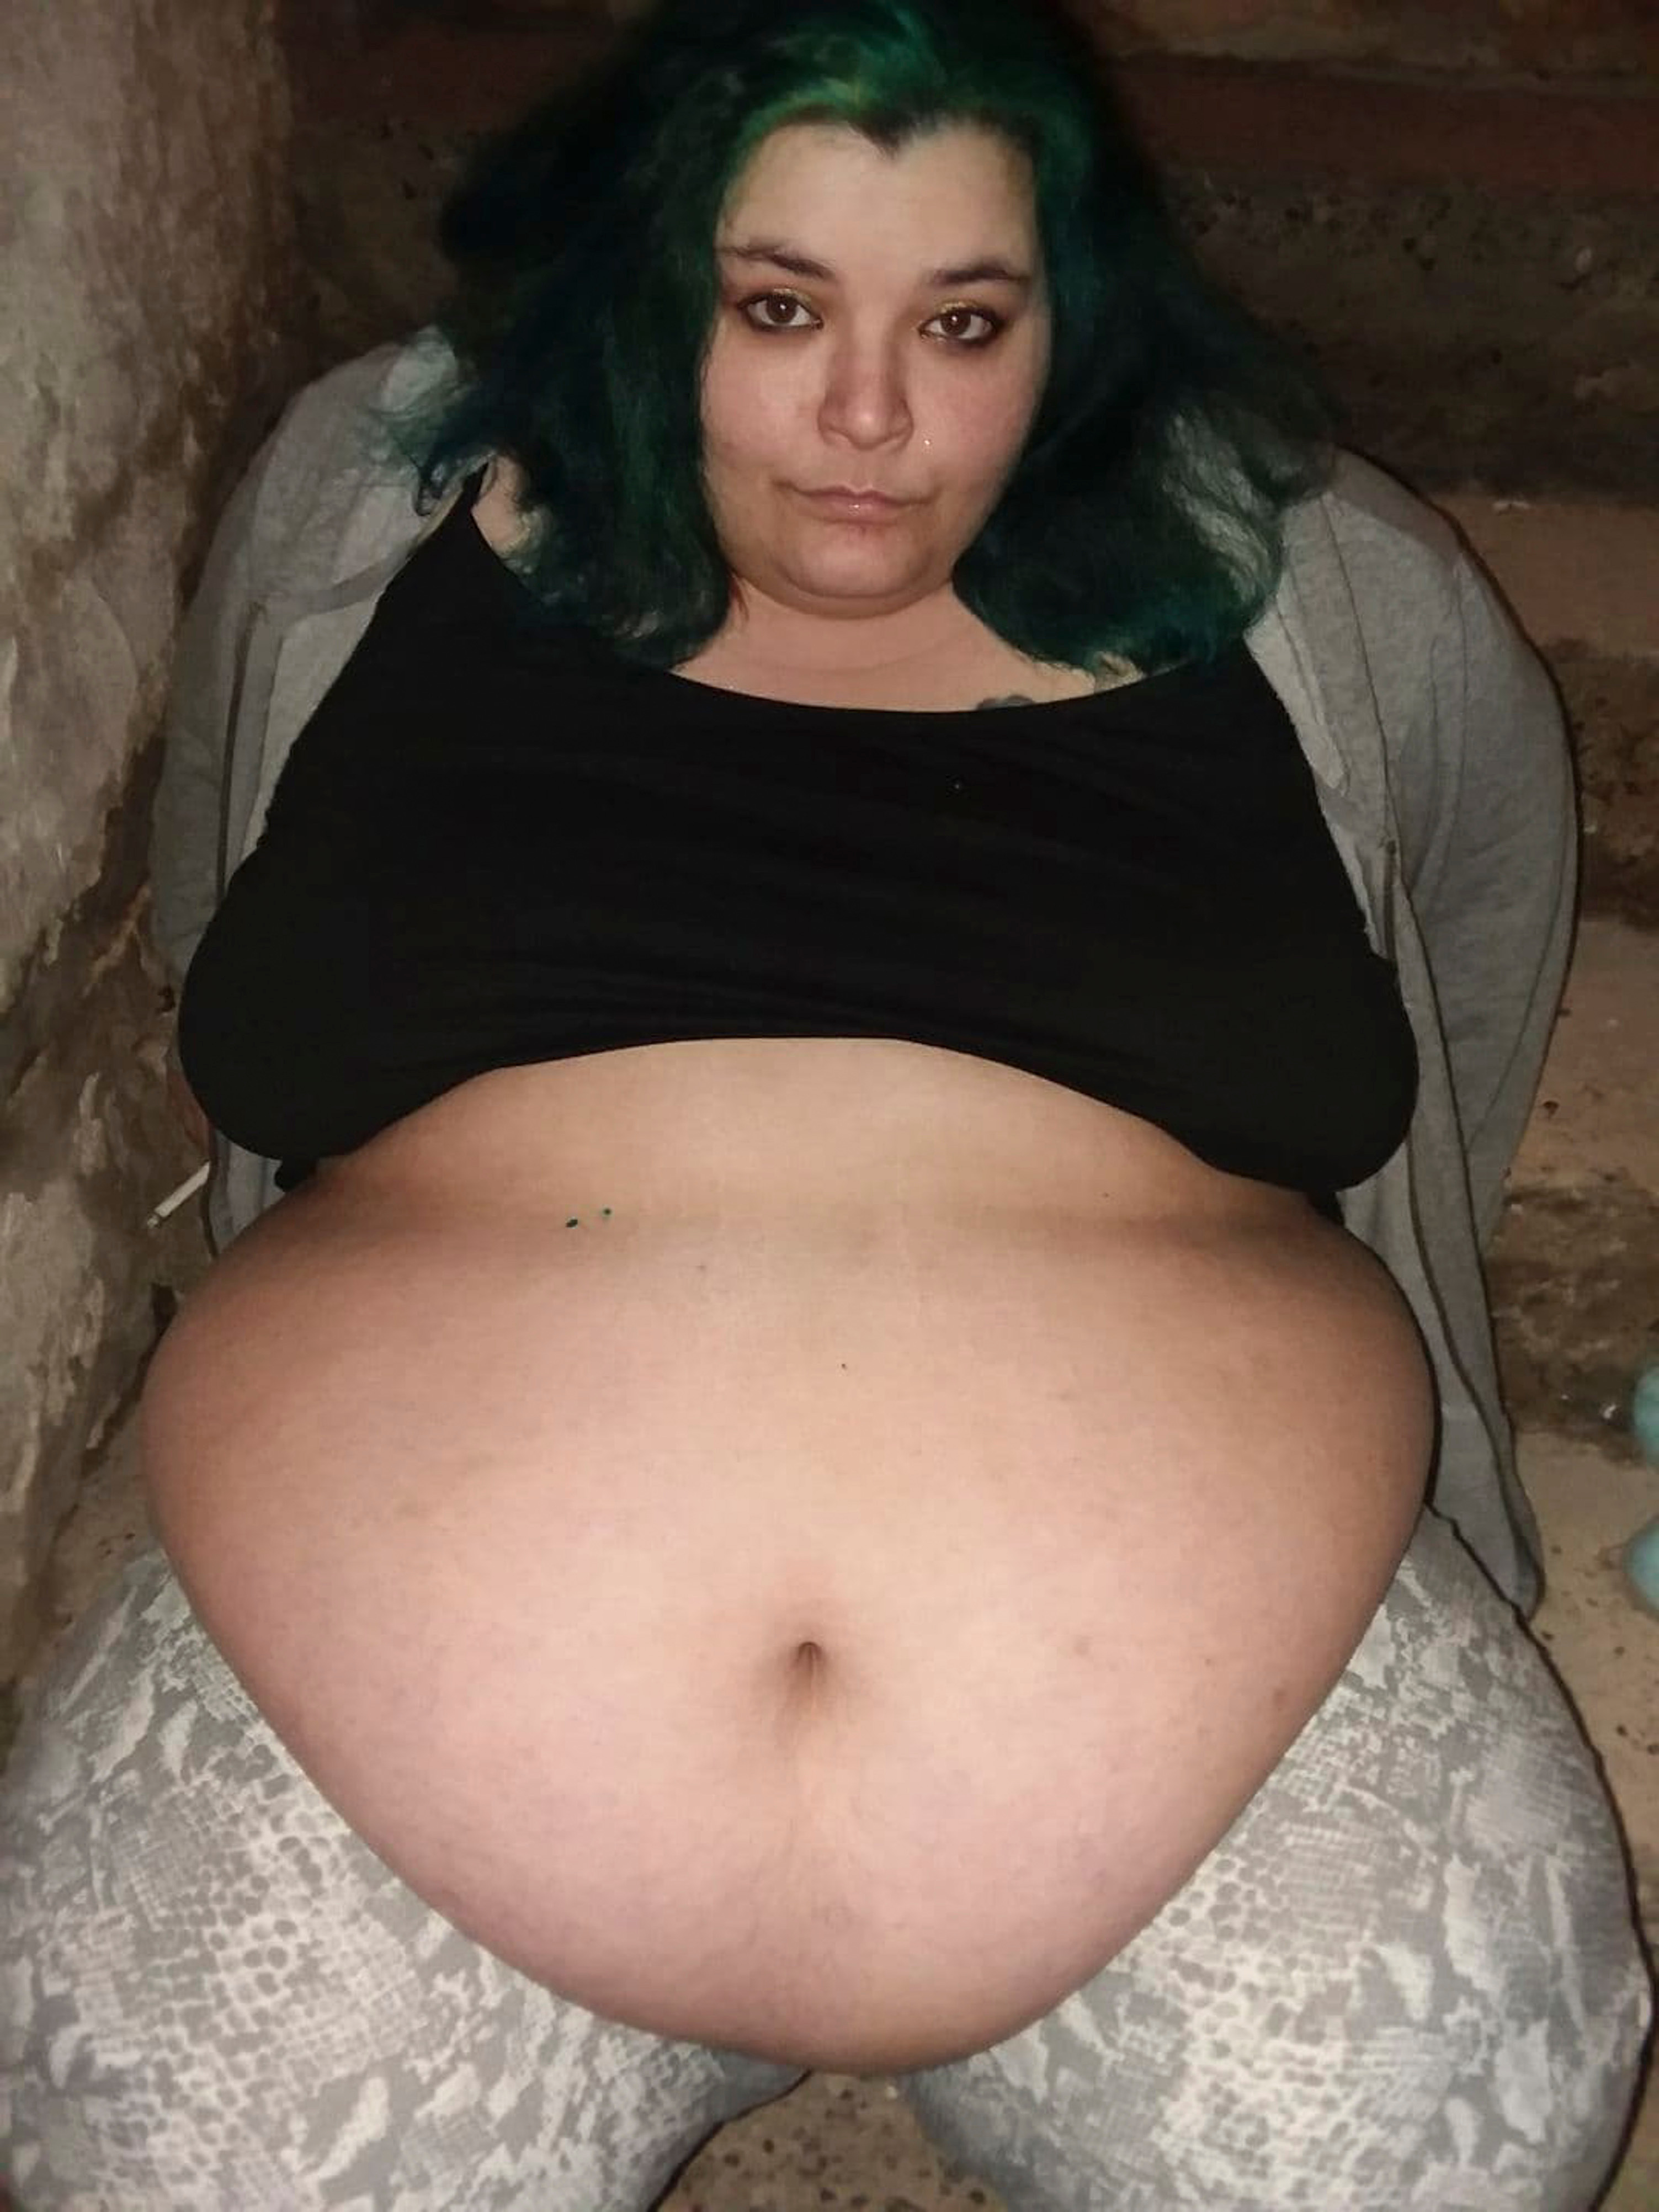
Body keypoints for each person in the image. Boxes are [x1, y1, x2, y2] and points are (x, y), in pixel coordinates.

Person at [2, 0, 1651, 2203]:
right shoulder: (363, 500)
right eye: (775, 306)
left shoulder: (1312, 568)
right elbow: (233, 898)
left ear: (1066, 318)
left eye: (960, 322)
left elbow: (1473, 918)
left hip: (1228, 1722)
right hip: (360, 1711)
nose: (869, 415)